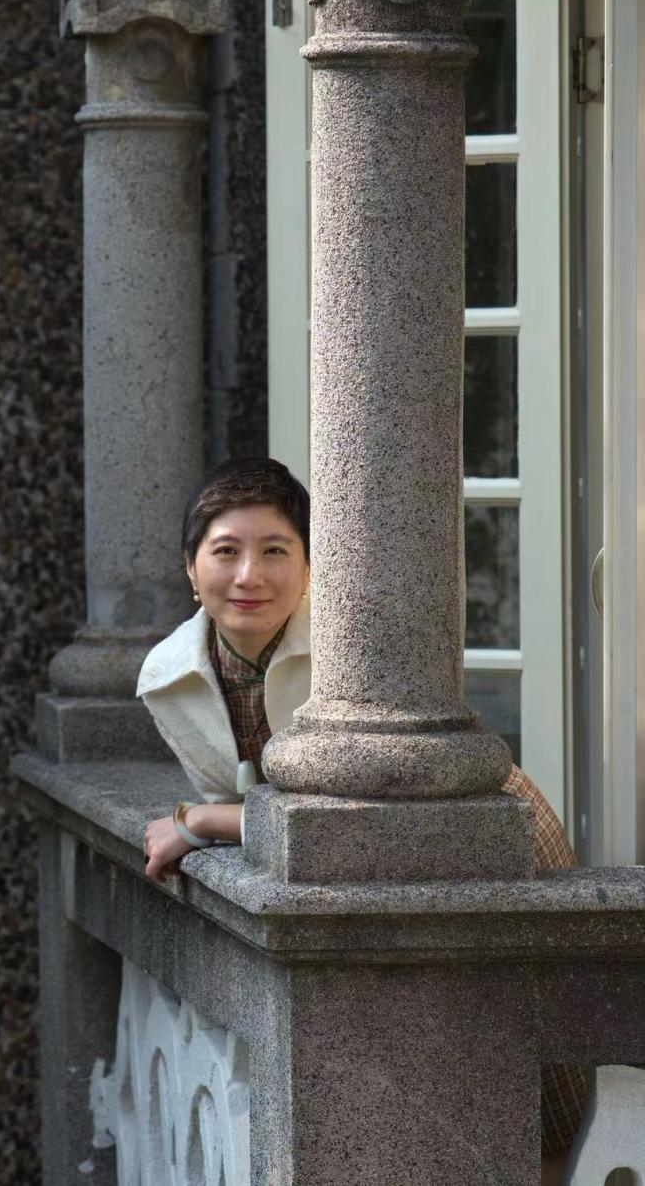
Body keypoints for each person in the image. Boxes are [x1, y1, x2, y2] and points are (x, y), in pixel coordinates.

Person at [138, 455, 587, 1179]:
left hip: (481, 820)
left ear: (313, 565)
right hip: (365, 863)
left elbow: (352, 815)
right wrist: (231, 817)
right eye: (225, 551)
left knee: (547, 1066)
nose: (249, 575)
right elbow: (293, 816)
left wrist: (204, 822)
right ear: (192, 569)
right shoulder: (166, 680)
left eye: (276, 550)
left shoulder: (357, 658)